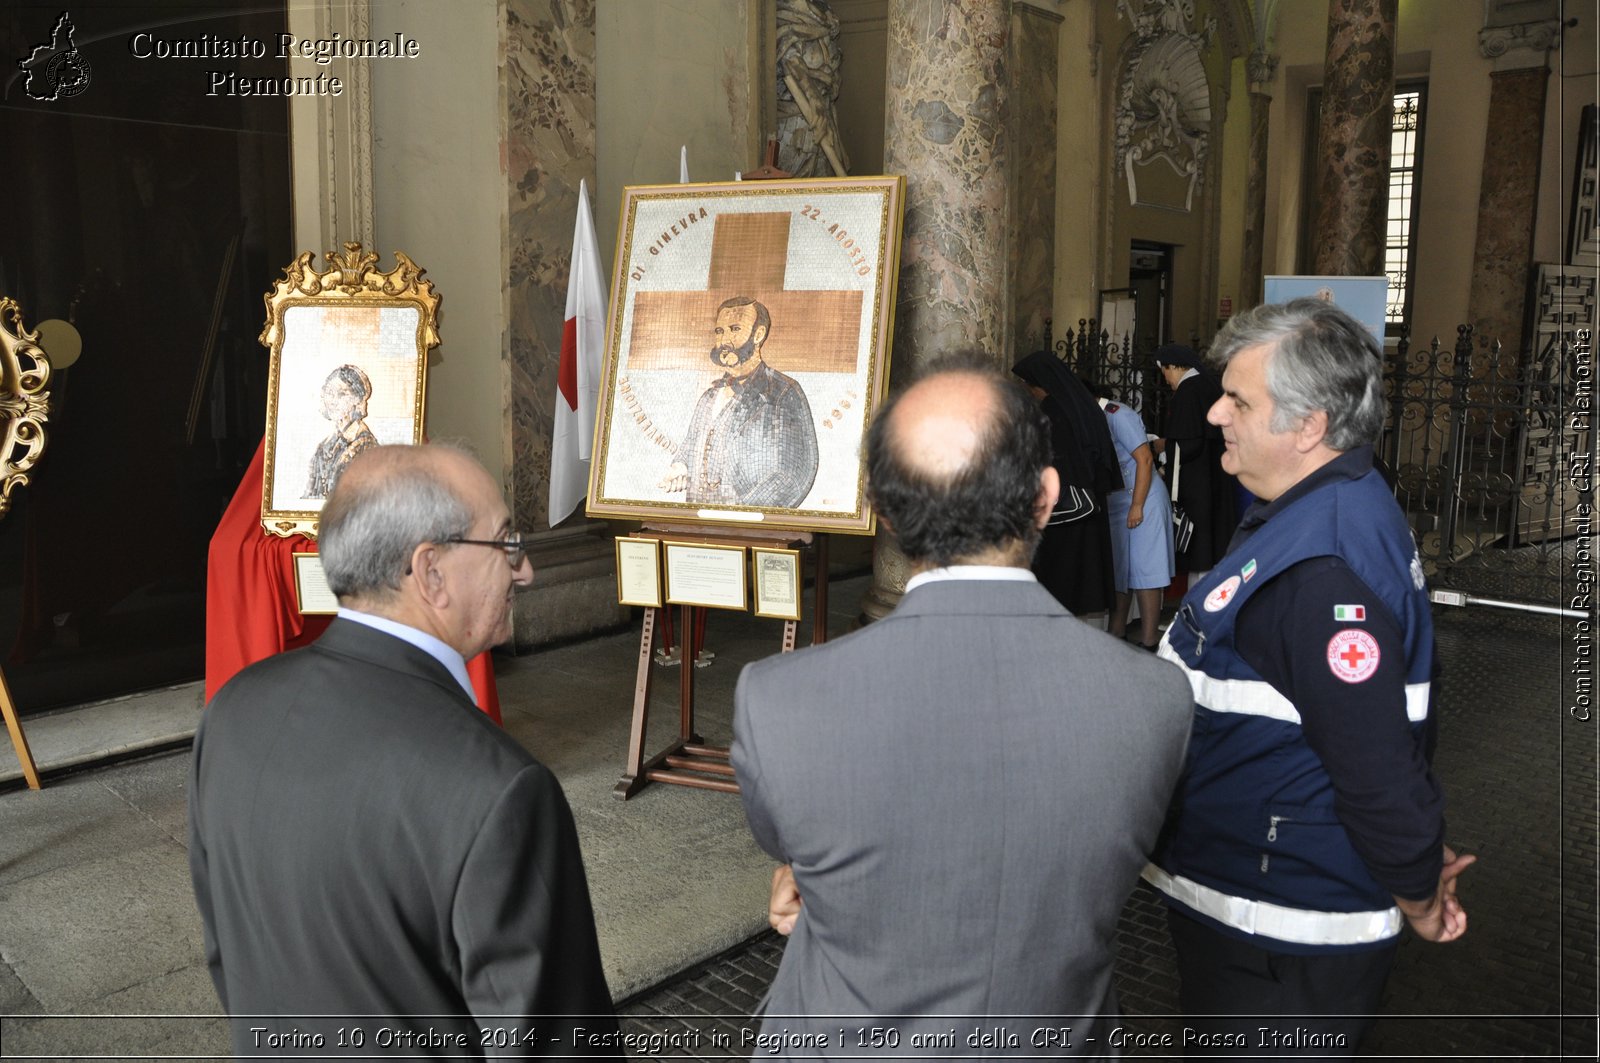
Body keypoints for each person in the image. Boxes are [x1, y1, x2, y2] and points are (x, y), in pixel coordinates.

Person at [731, 354, 1193, 1055]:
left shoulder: (777, 701)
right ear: (1045, 497)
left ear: (882, 515)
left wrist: (823, 880)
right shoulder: (1155, 699)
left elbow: (797, 845)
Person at [190, 444, 620, 1057]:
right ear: (431, 573)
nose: (523, 571)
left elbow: (230, 959)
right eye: (504, 543)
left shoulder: (233, 712)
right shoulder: (500, 788)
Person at [1146, 299, 1472, 1055]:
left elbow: (1375, 764)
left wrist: (1418, 887)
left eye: (1241, 399)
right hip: (1259, 915)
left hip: (1278, 934)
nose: (1217, 410)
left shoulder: (1323, 569)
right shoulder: (1321, 506)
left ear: (1310, 425)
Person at [657, 295, 819, 508]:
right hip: (697, 523)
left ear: (758, 334)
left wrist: (742, 513)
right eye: (719, 331)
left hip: (752, 528)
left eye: (734, 329)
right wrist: (679, 467)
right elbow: (692, 445)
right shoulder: (709, 398)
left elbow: (792, 475)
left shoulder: (783, 393)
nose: (724, 341)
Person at [1011, 350, 1122, 618]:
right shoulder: (1081, 407)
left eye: (1028, 384)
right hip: (1087, 504)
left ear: (1041, 384)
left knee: (1059, 578)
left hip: (1063, 510)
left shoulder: (1053, 411)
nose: (1028, 391)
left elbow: (1051, 461)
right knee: (1082, 577)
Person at [1090, 382, 1175, 649]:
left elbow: (1145, 459)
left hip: (1142, 498)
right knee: (1121, 571)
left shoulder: (1118, 414)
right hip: (1118, 500)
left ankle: (1149, 639)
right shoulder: (1095, 417)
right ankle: (1117, 631)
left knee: (1145, 570)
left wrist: (1137, 505)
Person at [1155, 343, 1237, 584]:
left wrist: (1164, 452)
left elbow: (1186, 444)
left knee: (1199, 552)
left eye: (1165, 372)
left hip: (1195, 484)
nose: (1166, 379)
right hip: (1216, 476)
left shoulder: (1187, 391)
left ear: (1173, 367)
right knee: (1212, 546)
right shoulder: (1209, 384)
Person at [304, 363, 379, 498]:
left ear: (357, 399)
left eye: (341, 394)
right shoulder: (323, 447)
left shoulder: (366, 446)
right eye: (329, 393)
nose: (332, 401)